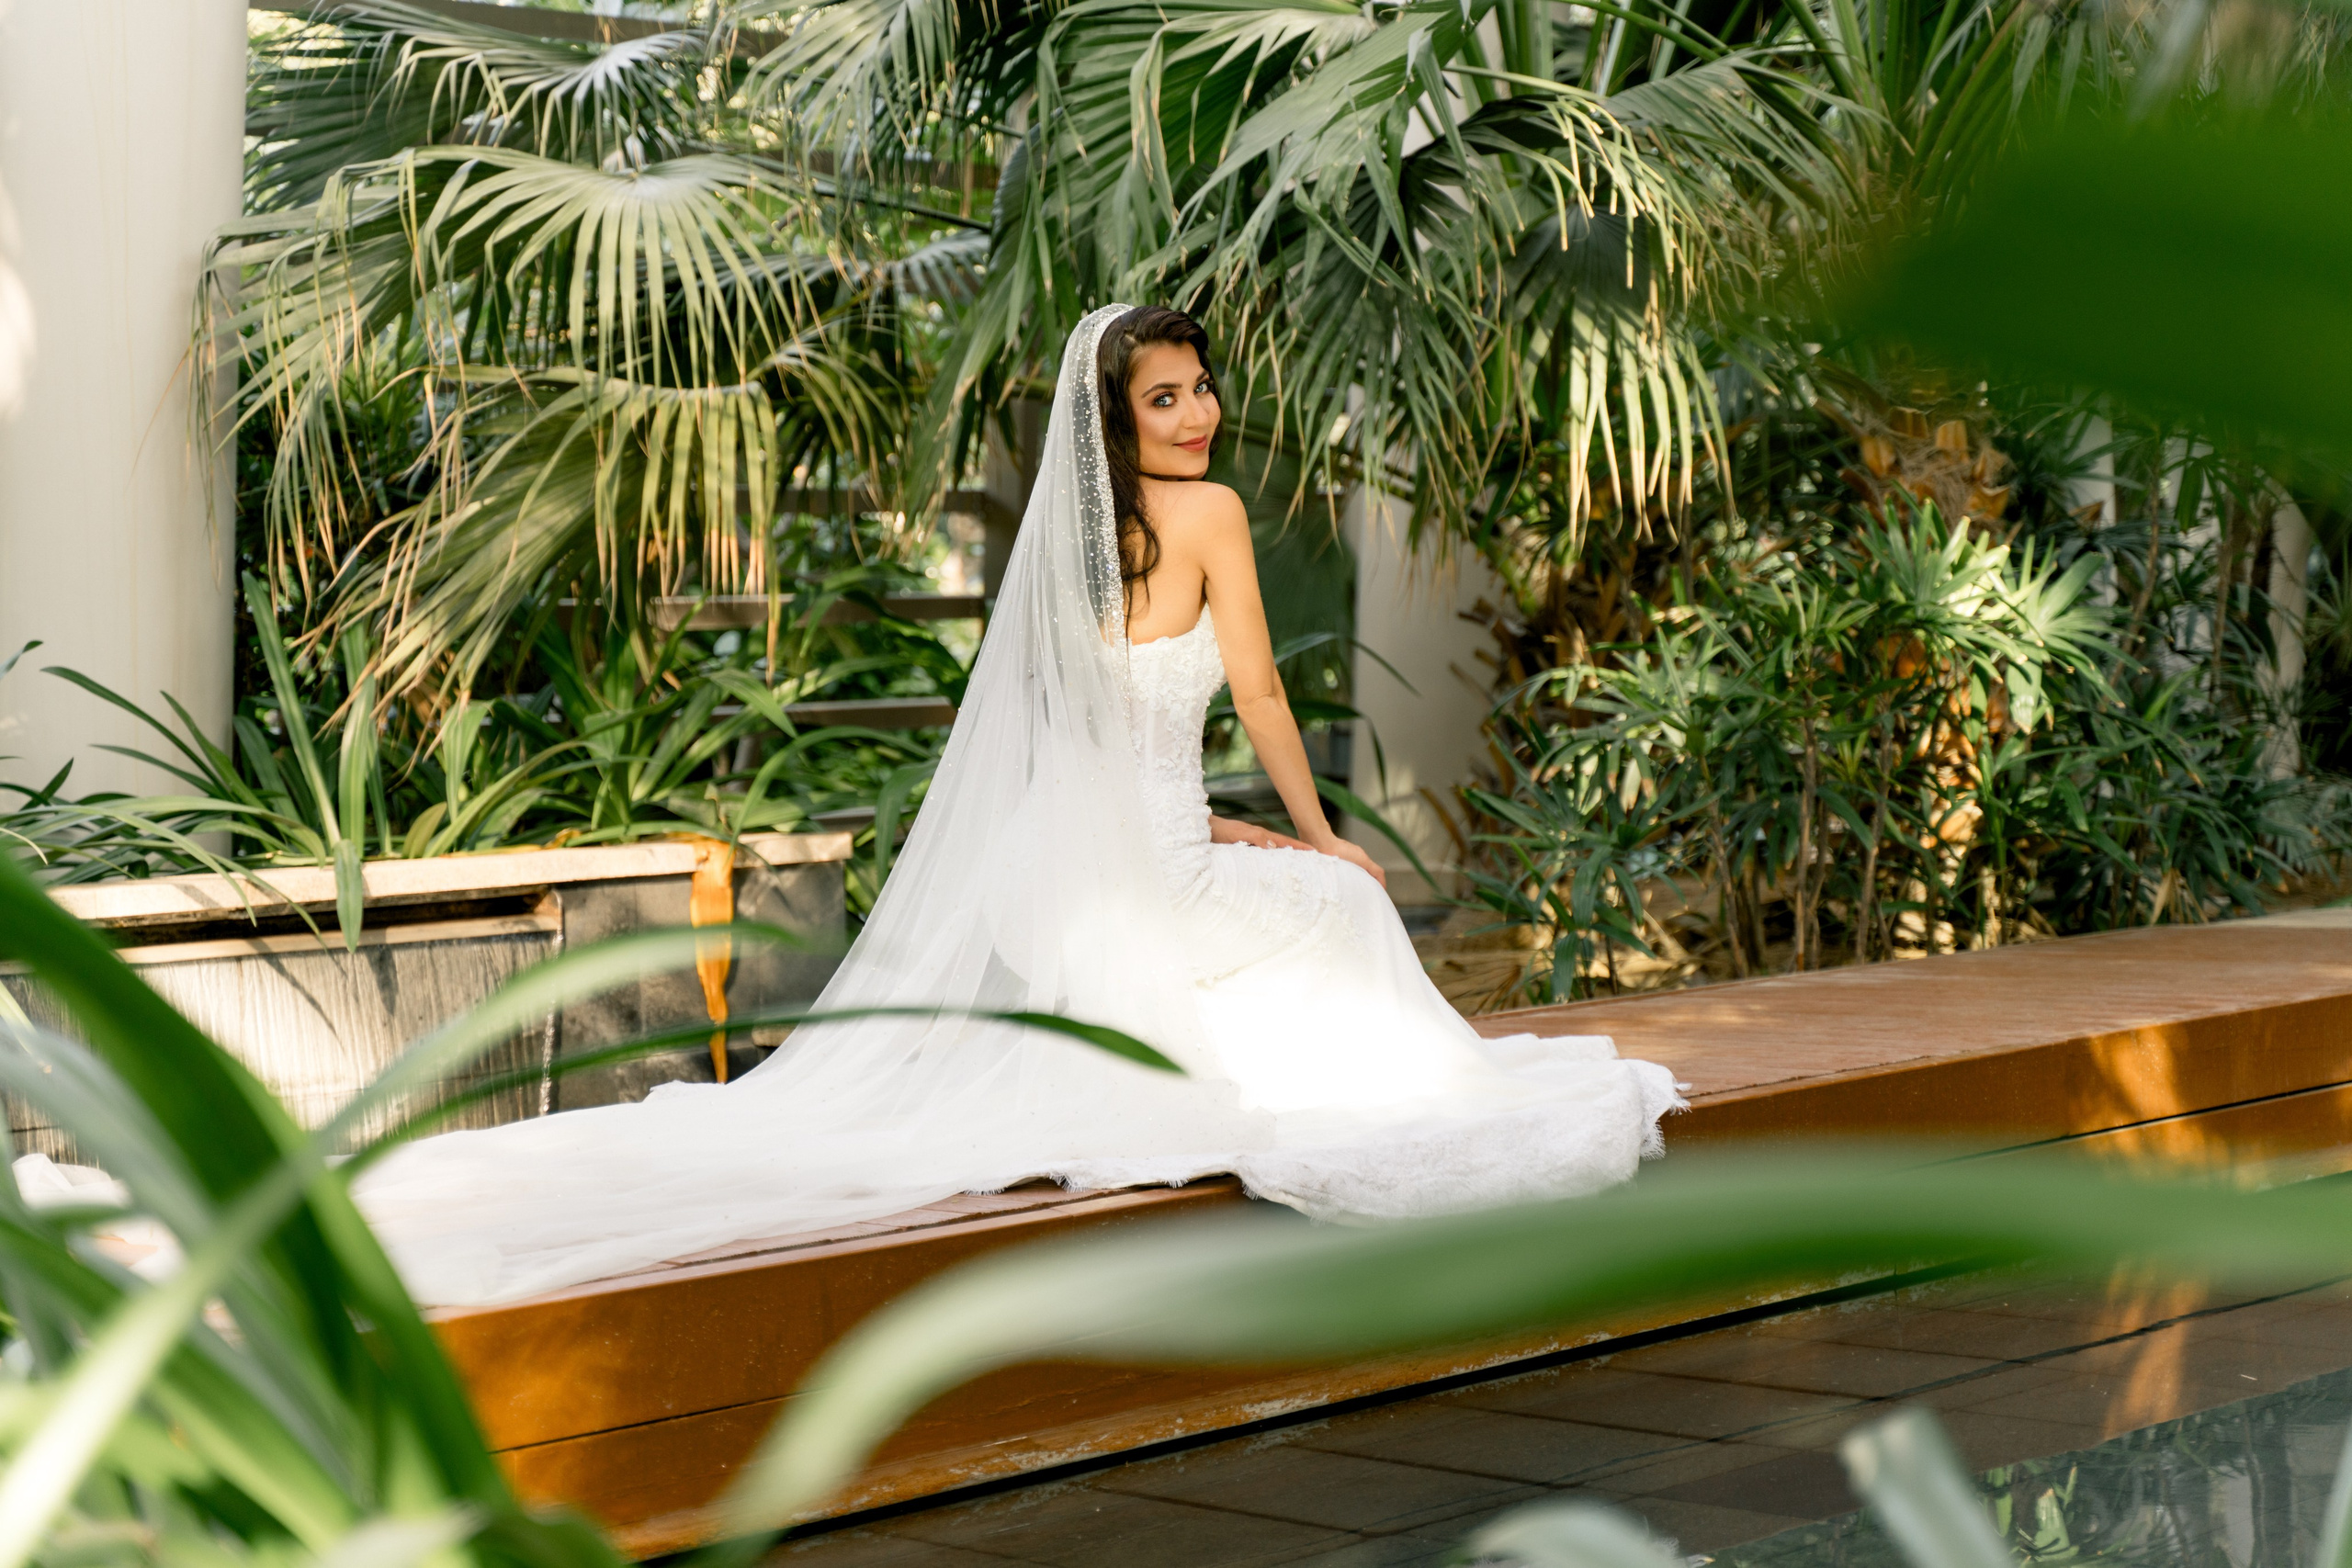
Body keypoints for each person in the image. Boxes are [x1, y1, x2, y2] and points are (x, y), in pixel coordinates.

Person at [355, 306, 1680, 1306]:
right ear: (1120, 420)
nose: (1200, 413)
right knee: (1340, 905)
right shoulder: (1211, 515)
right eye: (1166, 398)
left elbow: (1086, 743)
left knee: (1276, 903)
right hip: (1140, 881)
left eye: (1203, 388)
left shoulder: (1065, 547)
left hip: (1054, 878)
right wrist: (1324, 835)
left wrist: (1207, 825)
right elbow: (1265, 701)